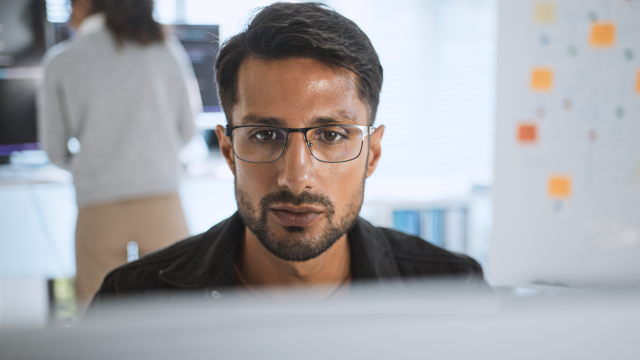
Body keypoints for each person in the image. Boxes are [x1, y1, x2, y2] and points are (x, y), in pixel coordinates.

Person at [89, 2, 484, 306]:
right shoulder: (133, 300)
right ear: (229, 150)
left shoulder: (454, 293)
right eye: (264, 134)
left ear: (372, 153)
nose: (296, 177)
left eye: (331, 135)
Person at [37, 0, 202, 310]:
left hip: (96, 207)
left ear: (84, 4)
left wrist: (95, 167)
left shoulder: (61, 61)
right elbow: (189, 130)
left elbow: (54, 151)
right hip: (161, 199)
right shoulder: (165, 50)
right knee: (175, 308)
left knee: (96, 314)